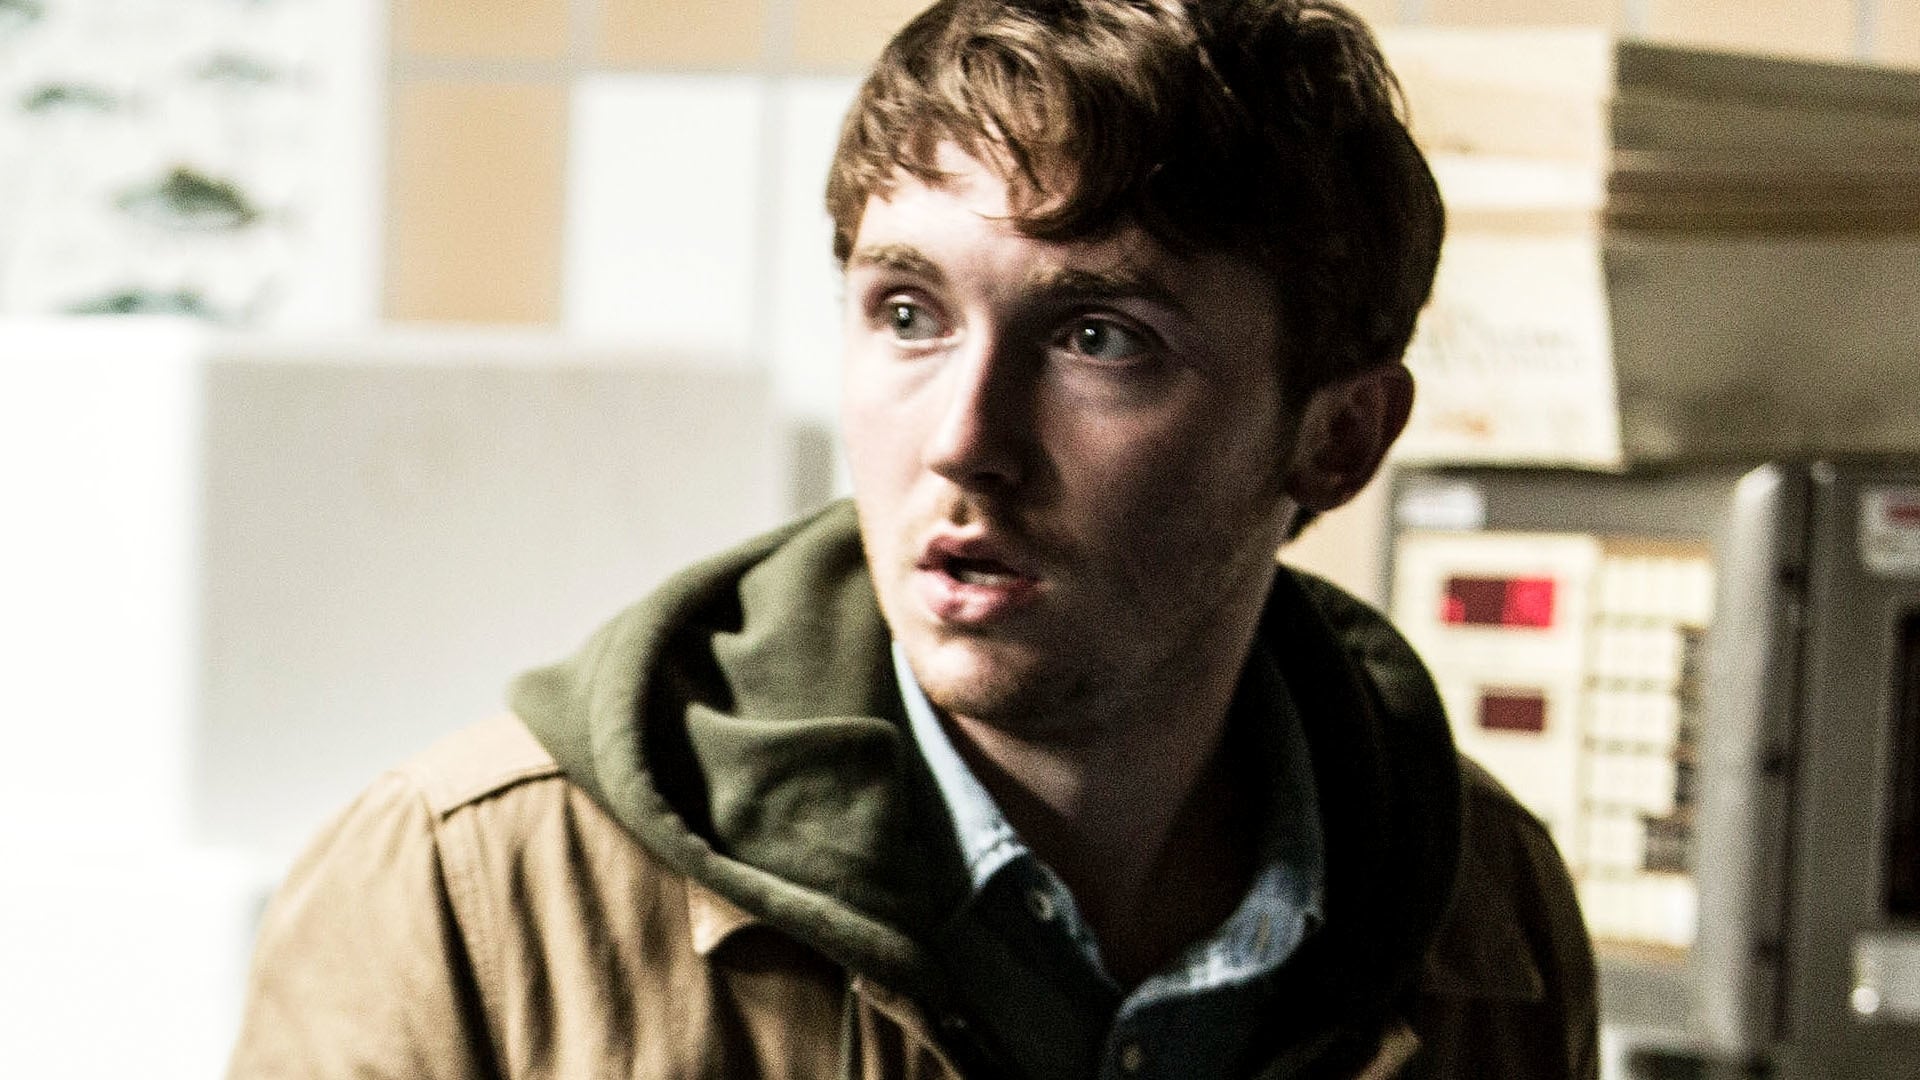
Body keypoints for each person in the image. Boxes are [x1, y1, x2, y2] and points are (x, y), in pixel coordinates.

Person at [228, 0, 1598, 1076]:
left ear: (1338, 439)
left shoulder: (1480, 909)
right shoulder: (470, 891)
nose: (964, 439)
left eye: (1100, 338)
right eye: (906, 312)